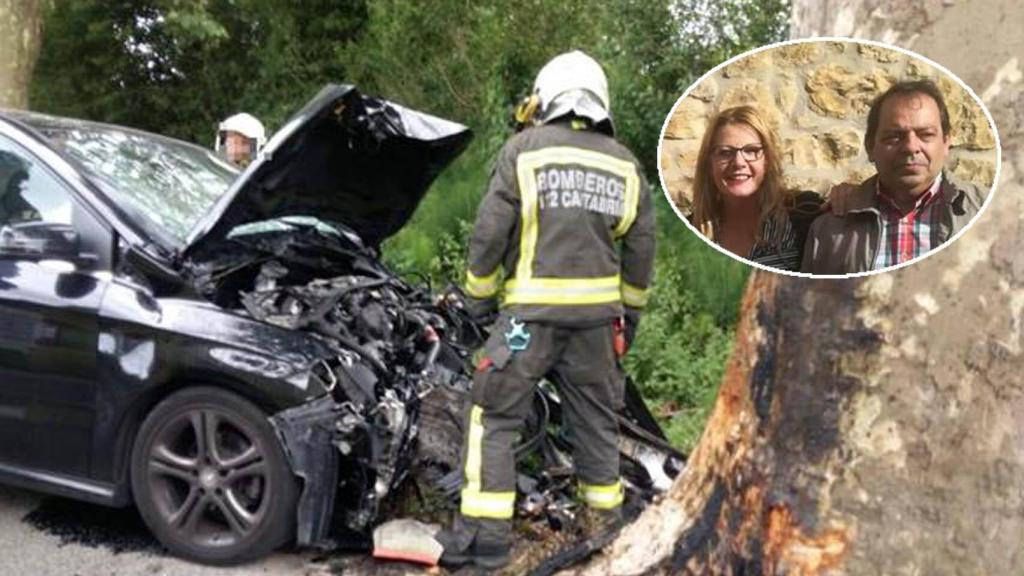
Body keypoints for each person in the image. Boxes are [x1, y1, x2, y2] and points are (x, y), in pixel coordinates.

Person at [437, 50, 656, 570]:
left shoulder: (524, 150)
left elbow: (490, 234)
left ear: (549, 95)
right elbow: (642, 249)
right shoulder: (626, 165)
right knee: (598, 425)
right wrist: (629, 320)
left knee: (493, 417)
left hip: (526, 327)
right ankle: (604, 530)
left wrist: (478, 299)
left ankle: (485, 545)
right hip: (596, 329)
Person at [801, 79, 987, 274]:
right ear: (870, 147)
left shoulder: (991, 211)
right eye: (894, 136)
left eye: (925, 134)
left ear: (946, 142)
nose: (910, 147)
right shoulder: (829, 230)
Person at [689, 105, 822, 272]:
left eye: (751, 151)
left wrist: (848, 195)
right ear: (709, 163)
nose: (738, 162)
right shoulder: (688, 232)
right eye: (725, 152)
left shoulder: (806, 214)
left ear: (767, 160)